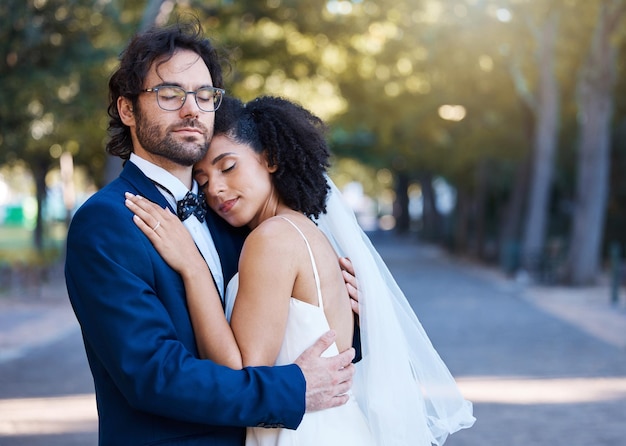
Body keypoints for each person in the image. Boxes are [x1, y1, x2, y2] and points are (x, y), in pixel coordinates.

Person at [64, 20, 358, 446]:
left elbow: (274, 325)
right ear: (127, 109)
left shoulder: (232, 213)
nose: (191, 110)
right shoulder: (107, 222)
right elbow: (154, 375)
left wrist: (343, 314)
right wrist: (293, 389)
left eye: (204, 95)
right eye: (170, 94)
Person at [125, 95, 476, 445]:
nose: (215, 188)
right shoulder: (303, 231)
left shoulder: (273, 238)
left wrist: (193, 267)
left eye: (228, 167)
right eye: (201, 180)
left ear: (271, 160)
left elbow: (239, 373)